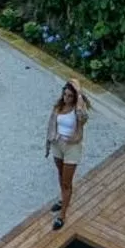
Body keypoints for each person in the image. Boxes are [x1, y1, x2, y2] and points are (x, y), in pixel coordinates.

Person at [44, 80, 89, 230]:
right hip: (58, 145)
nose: (66, 98)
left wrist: (80, 95)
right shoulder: (59, 107)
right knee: (61, 175)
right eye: (65, 94)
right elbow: (51, 124)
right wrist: (52, 138)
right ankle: (63, 200)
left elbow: (84, 118)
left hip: (72, 147)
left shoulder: (78, 110)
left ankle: (62, 215)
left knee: (67, 182)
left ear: (75, 97)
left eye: (70, 96)